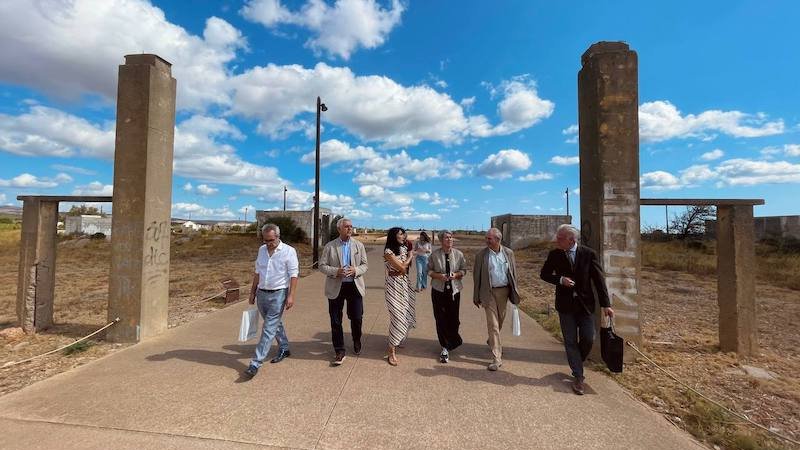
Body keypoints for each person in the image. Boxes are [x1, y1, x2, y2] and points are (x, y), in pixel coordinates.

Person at [539, 224, 614, 395]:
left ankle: (576, 361)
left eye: (560, 238)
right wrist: (560, 280)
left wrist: (606, 305)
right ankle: (578, 376)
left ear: (571, 240)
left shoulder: (588, 254)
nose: (556, 240)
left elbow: (599, 281)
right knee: (570, 340)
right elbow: (544, 274)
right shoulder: (555, 254)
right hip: (565, 306)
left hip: (585, 305)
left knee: (589, 337)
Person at [243, 223, 299, 379]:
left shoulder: (289, 251)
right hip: (262, 293)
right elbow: (257, 272)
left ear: (278, 237)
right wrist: (252, 292)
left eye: (271, 240)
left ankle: (255, 363)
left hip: (279, 294)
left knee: (268, 328)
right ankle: (285, 347)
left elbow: (294, 275)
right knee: (274, 323)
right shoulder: (261, 250)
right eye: (265, 240)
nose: (268, 244)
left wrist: (291, 295)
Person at [319, 218, 368, 366]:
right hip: (336, 287)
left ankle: (356, 339)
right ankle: (339, 350)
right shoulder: (330, 246)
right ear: (339, 229)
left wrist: (356, 270)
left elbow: (365, 265)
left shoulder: (359, 245)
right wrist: (336, 271)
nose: (350, 229)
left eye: (351, 227)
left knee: (357, 317)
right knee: (335, 320)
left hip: (354, 286)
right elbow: (322, 266)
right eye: (346, 227)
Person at [473, 227, 521, 371]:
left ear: (498, 240)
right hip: (488, 293)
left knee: (499, 322)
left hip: (504, 292)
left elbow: (513, 273)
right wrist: (476, 296)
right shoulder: (481, 255)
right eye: (486, 238)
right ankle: (497, 357)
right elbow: (477, 277)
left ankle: (492, 341)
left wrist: (515, 293)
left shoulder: (508, 253)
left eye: (489, 238)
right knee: (493, 325)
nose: (486, 240)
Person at [427, 230, 467, 363]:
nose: (449, 239)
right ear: (441, 240)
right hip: (438, 290)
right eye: (446, 237)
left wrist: (456, 275)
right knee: (440, 318)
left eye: (451, 237)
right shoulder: (435, 255)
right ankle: (444, 347)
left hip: (454, 291)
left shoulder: (459, 254)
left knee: (454, 319)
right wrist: (439, 276)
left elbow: (463, 270)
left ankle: (453, 340)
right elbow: (429, 270)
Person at [383, 226, 415, 366]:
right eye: (401, 234)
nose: (403, 236)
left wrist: (408, 255)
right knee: (397, 316)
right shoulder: (388, 251)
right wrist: (410, 257)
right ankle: (391, 351)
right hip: (393, 285)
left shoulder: (403, 248)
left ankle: (397, 339)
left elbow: (406, 269)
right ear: (394, 236)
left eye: (404, 234)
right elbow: (402, 267)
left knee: (405, 313)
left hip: (403, 284)